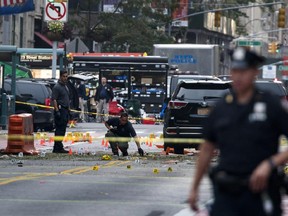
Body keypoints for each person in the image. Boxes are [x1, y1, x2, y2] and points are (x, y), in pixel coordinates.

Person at [189, 47, 288, 216]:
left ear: (254, 72)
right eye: (235, 70)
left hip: (261, 193)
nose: (239, 76)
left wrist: (270, 164)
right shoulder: (222, 107)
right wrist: (195, 188)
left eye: (244, 71)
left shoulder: (270, 105)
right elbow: (206, 149)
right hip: (227, 194)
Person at [51, 70, 70, 153]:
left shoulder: (65, 86)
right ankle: (57, 147)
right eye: (64, 76)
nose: (65, 78)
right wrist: (57, 110)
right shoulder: (57, 87)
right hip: (60, 109)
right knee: (59, 129)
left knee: (63, 129)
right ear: (60, 76)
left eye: (66, 76)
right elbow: (54, 99)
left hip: (65, 110)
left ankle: (59, 146)